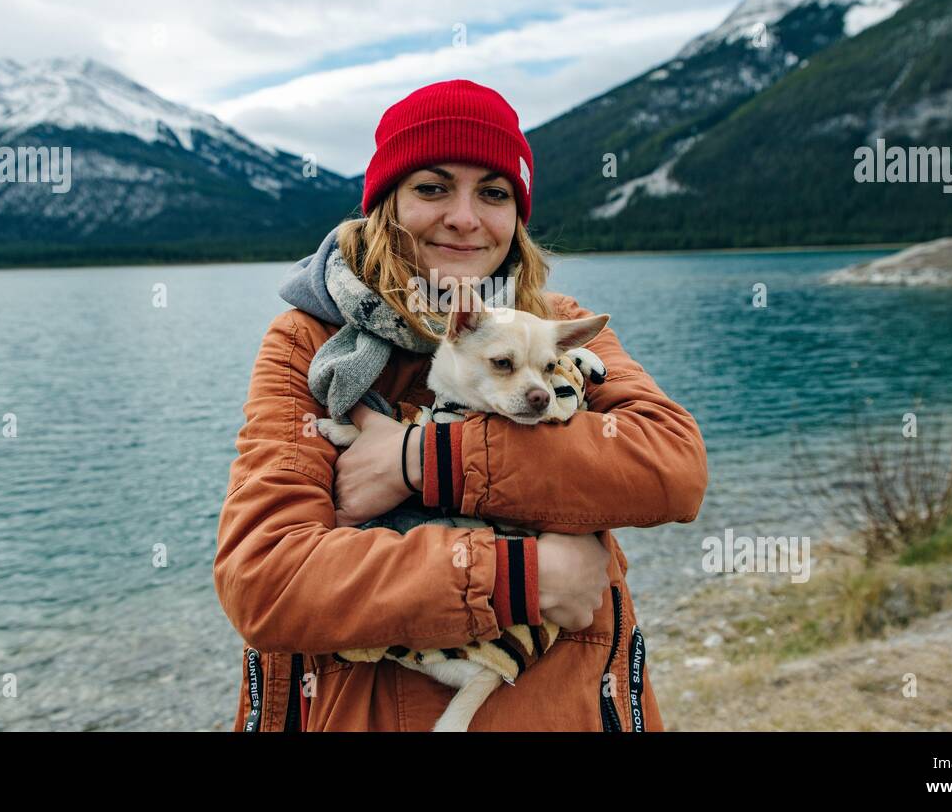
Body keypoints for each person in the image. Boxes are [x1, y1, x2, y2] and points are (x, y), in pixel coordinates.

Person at [213, 78, 708, 731]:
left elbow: (670, 469)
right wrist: (518, 579)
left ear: (516, 218)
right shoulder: (309, 342)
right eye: (433, 186)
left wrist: (427, 458)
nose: (466, 217)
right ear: (387, 202)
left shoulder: (553, 326)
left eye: (494, 193)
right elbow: (267, 578)